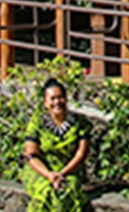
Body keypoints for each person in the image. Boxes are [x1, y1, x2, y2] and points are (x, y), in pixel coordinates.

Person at [21, 78, 89, 212]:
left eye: (60, 97)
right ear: (45, 103)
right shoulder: (37, 123)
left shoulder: (80, 123)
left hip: (69, 170)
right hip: (40, 171)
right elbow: (31, 155)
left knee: (69, 190)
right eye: (52, 99)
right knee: (46, 191)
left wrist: (61, 174)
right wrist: (49, 175)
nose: (57, 102)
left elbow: (81, 154)